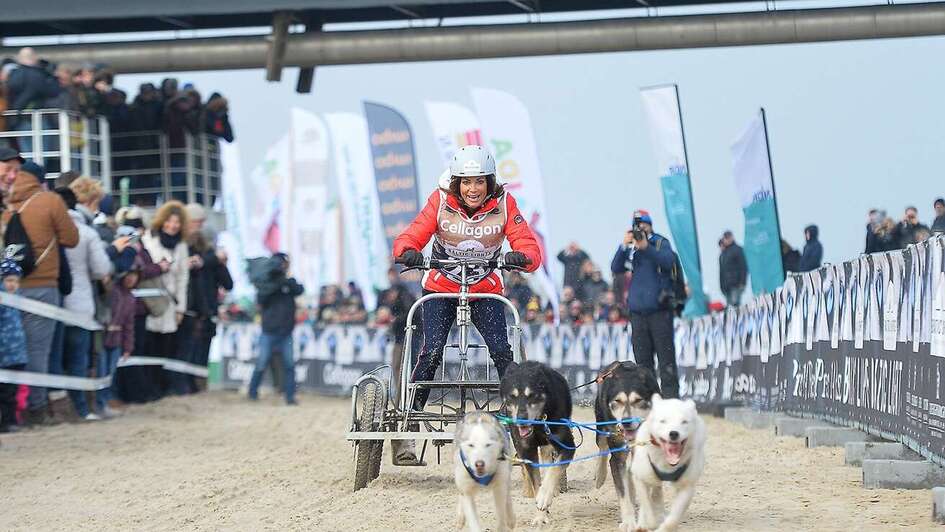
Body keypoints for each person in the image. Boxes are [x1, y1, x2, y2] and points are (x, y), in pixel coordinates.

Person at [392, 145, 542, 463]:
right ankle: (408, 426)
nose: (472, 189)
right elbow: (413, 234)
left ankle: (515, 426)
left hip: (485, 289)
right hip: (442, 288)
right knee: (431, 352)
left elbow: (527, 242)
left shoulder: (504, 203)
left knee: (503, 353)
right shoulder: (440, 201)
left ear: (489, 182)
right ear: (456, 183)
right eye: (466, 182)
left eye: (479, 182)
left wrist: (523, 256)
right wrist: (408, 250)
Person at [0, 156, 79, 426]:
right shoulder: (50, 201)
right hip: (42, 285)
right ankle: (35, 408)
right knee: (37, 349)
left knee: (8, 350)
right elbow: (71, 238)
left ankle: (11, 411)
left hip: (8, 285)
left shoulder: (6, 202)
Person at [611, 209, 679, 398]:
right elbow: (615, 267)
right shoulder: (632, 249)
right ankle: (649, 399)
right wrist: (624, 246)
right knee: (642, 362)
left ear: (649, 225)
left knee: (666, 359)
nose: (639, 228)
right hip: (638, 313)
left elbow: (668, 261)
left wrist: (646, 247)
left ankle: (670, 399)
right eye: (636, 225)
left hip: (659, 312)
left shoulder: (659, 242)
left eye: (642, 224)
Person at [62, 177, 113, 421]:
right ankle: (81, 408)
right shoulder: (86, 231)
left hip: (57, 300)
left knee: (60, 358)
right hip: (81, 301)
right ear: (92, 202)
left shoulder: (58, 224)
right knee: (79, 358)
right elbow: (102, 268)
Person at [181, 203, 232, 392]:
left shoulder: (210, 257)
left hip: (206, 310)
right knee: (189, 351)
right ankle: (189, 385)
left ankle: (198, 385)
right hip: (191, 310)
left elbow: (228, 283)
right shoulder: (183, 250)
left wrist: (218, 263)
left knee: (200, 351)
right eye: (197, 222)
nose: (199, 227)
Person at [141, 201, 190, 396]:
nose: (173, 225)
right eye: (170, 221)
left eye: (177, 222)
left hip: (171, 303)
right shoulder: (149, 239)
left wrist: (181, 308)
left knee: (167, 346)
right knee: (149, 345)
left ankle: (164, 387)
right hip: (150, 301)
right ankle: (150, 387)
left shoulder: (182, 246)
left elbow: (183, 278)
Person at [248, 253, 303, 405]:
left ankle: (290, 396)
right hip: (269, 331)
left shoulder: (288, 283)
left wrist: (284, 280)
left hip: (286, 332)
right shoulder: (265, 285)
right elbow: (260, 300)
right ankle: (252, 392)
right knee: (261, 363)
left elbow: (299, 290)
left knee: (289, 365)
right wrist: (272, 284)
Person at [96, 264, 139, 418]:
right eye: (129, 274)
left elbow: (129, 324)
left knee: (110, 374)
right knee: (101, 372)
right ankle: (99, 404)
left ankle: (105, 403)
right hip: (102, 338)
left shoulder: (131, 298)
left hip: (116, 341)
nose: (131, 278)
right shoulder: (112, 291)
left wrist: (128, 346)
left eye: (134, 275)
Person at [0, 260, 28, 433]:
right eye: (9, 280)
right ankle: (7, 422)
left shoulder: (18, 301)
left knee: (13, 391)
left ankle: (11, 420)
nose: (13, 285)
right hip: (3, 355)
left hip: (17, 354)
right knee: (5, 392)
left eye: (16, 281)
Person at [718, 230, 748, 307]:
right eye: (725, 238)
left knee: (735, 305)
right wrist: (722, 286)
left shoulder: (738, 250)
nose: (726, 240)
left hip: (736, 284)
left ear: (731, 237)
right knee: (730, 307)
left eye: (727, 237)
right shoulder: (723, 254)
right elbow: (721, 272)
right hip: (726, 286)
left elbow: (743, 266)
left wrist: (742, 282)